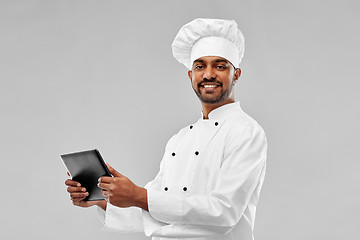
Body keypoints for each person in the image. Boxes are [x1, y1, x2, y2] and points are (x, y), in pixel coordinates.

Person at [65, 18, 267, 240]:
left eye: (220, 66)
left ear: (236, 74)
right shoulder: (179, 140)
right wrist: (103, 200)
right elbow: (158, 211)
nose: (208, 74)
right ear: (191, 75)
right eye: (199, 66)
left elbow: (224, 212)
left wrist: (139, 196)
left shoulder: (246, 132)